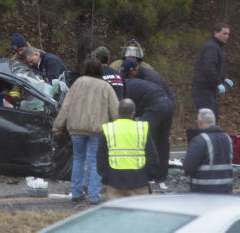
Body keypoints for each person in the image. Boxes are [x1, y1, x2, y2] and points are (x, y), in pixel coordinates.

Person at [53, 59, 119, 204]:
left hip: (76, 129)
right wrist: (119, 125)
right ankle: (94, 196)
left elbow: (66, 105)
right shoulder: (105, 87)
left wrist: (58, 126)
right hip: (97, 130)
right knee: (95, 161)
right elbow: (115, 110)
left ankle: (76, 192)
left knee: (78, 159)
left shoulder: (77, 83)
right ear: (100, 70)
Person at [121, 59, 174, 181]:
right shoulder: (137, 79)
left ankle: (148, 172)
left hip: (159, 105)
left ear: (135, 69)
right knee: (160, 140)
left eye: (129, 74)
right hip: (163, 104)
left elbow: (129, 107)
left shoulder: (150, 77)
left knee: (143, 135)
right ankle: (160, 174)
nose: (128, 77)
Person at [97, 98, 158, 200]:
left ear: (118, 112)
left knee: (117, 214)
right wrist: (148, 176)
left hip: (114, 181)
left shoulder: (108, 129)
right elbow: (152, 156)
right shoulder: (142, 129)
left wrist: (106, 178)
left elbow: (101, 158)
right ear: (134, 112)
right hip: (139, 181)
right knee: (139, 214)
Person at [183, 108, 234, 193]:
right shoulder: (228, 139)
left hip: (204, 192)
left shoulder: (200, 140)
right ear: (214, 121)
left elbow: (188, 167)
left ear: (199, 122)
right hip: (226, 191)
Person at [191, 23, 232, 121]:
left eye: (228, 34)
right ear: (215, 33)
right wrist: (218, 83)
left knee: (214, 118)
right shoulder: (211, 47)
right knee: (207, 120)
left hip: (210, 90)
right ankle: (204, 136)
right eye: (224, 33)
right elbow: (208, 67)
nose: (227, 36)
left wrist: (223, 78)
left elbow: (216, 67)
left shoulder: (219, 47)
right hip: (202, 89)